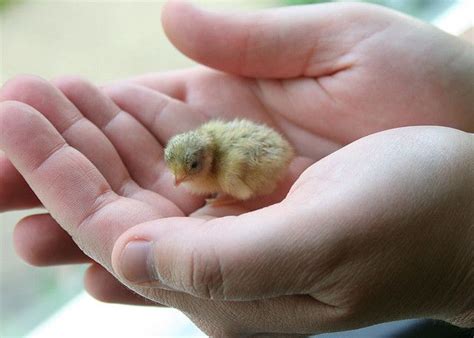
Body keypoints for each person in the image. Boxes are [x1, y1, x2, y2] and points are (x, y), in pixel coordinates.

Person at [0, 1, 472, 335]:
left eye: (189, 171)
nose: (181, 182)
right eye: (180, 173)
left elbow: (245, 174)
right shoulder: (202, 154)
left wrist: (459, 262)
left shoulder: (226, 168)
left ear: (203, 159)